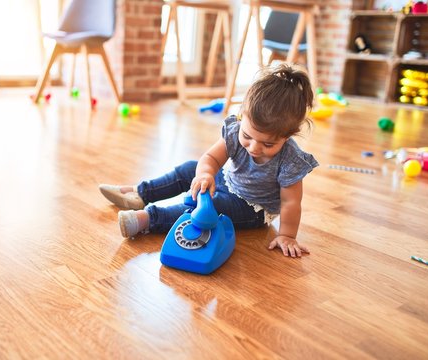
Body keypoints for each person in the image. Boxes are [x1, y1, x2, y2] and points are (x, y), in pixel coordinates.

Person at [99, 63, 318, 258]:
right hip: (227, 182)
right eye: (248, 136)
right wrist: (204, 173)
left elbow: (291, 202)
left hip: (252, 209)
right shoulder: (234, 133)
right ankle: (140, 193)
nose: (253, 147)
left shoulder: (290, 159)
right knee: (189, 169)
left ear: (287, 136)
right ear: (242, 116)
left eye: (267, 145)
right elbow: (211, 158)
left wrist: (287, 235)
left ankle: (146, 219)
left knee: (207, 207)